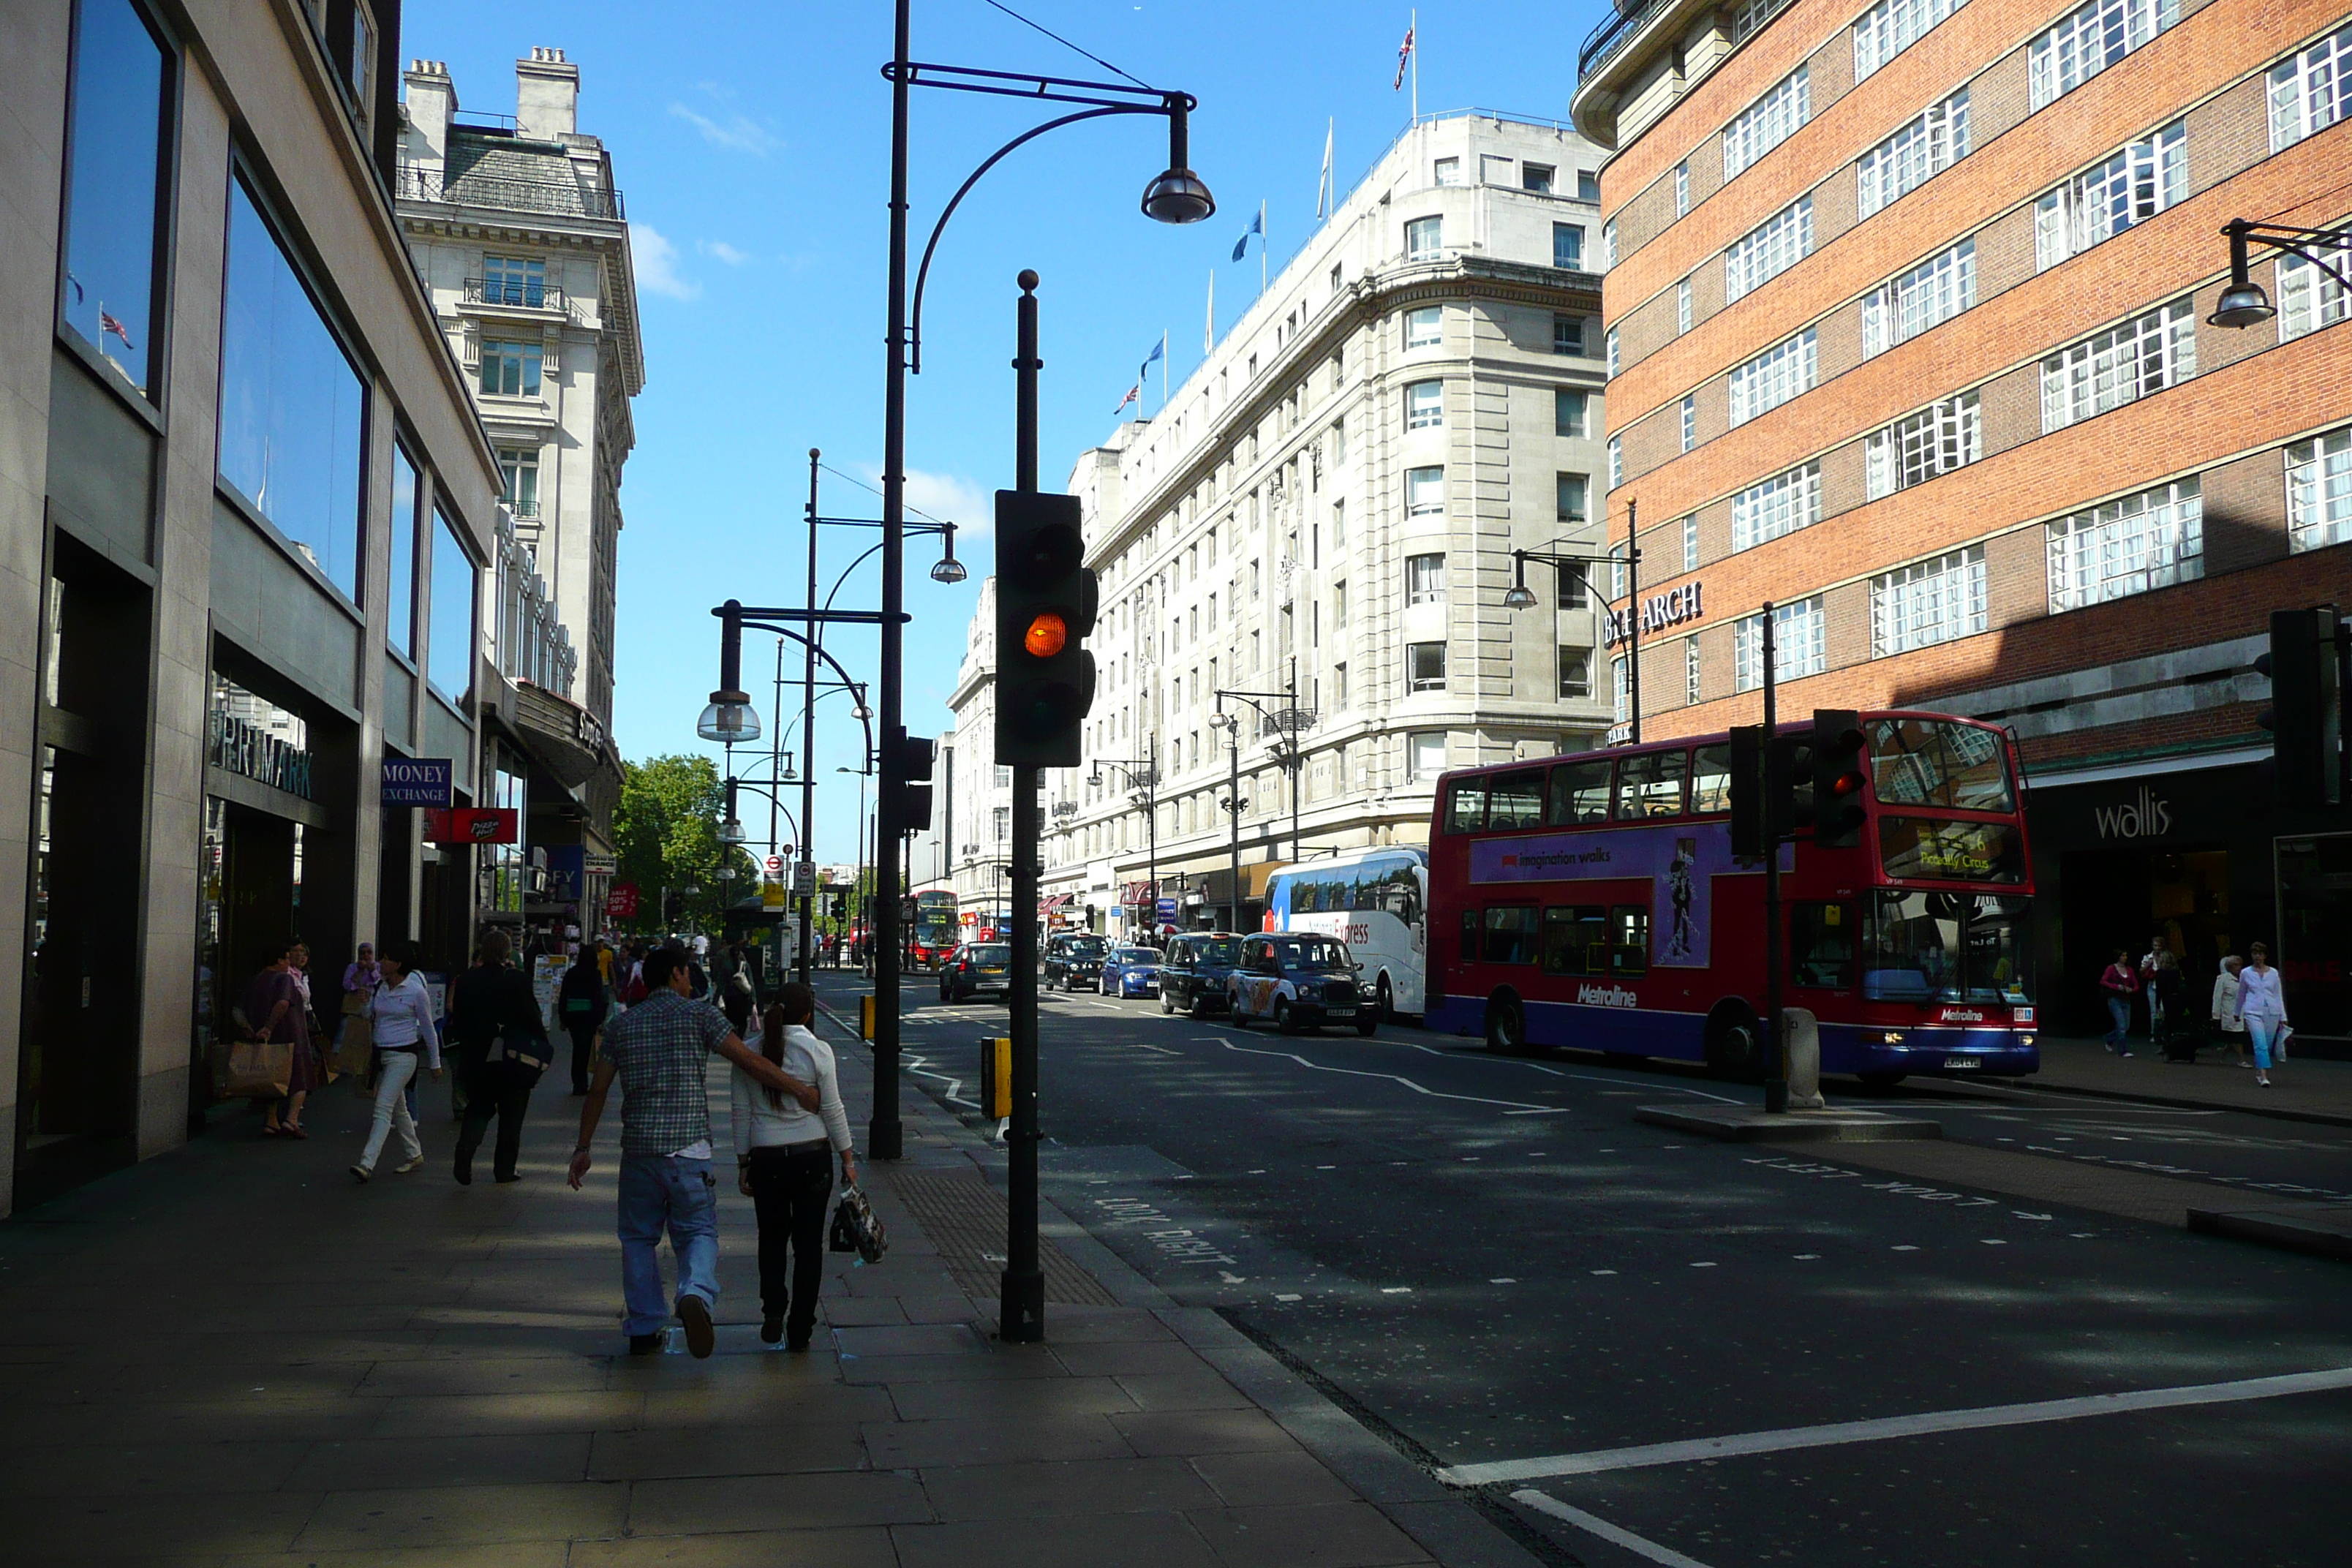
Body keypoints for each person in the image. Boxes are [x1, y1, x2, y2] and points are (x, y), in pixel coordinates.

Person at [567, 946, 818, 1357]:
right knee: (699, 1231)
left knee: (637, 1238)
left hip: (640, 1153)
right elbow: (751, 1063)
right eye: (688, 973)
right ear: (677, 974)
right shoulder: (700, 1016)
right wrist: (799, 1090)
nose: (691, 981)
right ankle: (696, 1294)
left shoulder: (621, 1025)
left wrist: (583, 1147)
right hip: (690, 1151)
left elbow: (598, 1090)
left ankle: (645, 1327)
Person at [732, 984, 856, 1349]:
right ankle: (801, 1326)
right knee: (808, 1247)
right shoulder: (818, 1051)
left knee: (770, 1240)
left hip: (766, 1158)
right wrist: (847, 1157)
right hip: (811, 1157)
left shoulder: (750, 1053)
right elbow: (832, 1109)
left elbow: (741, 1114)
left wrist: (743, 1163)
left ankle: (773, 1309)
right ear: (806, 1015)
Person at [447, 930, 554, 1184]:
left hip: (478, 1058)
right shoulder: (517, 980)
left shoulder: (467, 981)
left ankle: (466, 1149)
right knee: (512, 1115)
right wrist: (543, 1047)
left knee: (479, 1107)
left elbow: (459, 1021)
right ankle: (504, 1169)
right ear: (508, 952)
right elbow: (532, 1019)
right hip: (513, 1058)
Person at [351, 943, 442, 1181]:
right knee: (399, 1109)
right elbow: (368, 1015)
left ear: (399, 964)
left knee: (382, 1107)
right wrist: (364, 1002)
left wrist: (435, 1063)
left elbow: (428, 1028)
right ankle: (414, 1153)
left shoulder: (415, 991)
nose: (380, 962)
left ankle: (366, 1163)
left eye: (386, 958)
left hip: (404, 1056)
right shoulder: (381, 987)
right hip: (383, 1054)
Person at [243, 943, 315, 1137]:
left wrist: (249, 1029)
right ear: (279, 961)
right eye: (286, 958)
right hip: (291, 1034)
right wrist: (269, 1027)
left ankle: (271, 1120)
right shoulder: (285, 979)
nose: (289, 961)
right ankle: (291, 1119)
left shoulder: (254, 980)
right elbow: (283, 1003)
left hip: (262, 1038)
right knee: (300, 1079)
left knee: (272, 1077)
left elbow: (237, 1009)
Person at [559, 944, 610, 1096]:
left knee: (577, 1048)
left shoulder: (571, 973)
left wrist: (563, 1017)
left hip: (573, 1014)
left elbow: (563, 995)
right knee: (585, 1049)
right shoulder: (595, 974)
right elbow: (598, 997)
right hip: (589, 1015)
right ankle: (583, 1084)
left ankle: (578, 1084)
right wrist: (600, 1019)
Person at [2236, 942, 2288, 1088]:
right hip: (2253, 1011)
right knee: (2260, 1043)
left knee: (2268, 1044)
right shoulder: (2246, 973)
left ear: (2265, 956)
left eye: (2260, 954)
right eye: (2255, 953)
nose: (2257, 956)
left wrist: (2283, 1017)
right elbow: (2241, 994)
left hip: (2272, 1012)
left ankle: (2260, 1070)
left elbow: (2278, 995)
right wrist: (2237, 1012)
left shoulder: (2273, 973)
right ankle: (2264, 1076)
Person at [2099, 949, 2138, 1057]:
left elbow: (2136, 985)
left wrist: (2132, 990)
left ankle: (2109, 1038)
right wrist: (2117, 987)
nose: (2125, 958)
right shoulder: (2111, 969)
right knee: (2121, 1025)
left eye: (2126, 956)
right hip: (2114, 999)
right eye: (2123, 956)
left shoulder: (2129, 970)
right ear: (2118, 957)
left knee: (2126, 1026)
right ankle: (2123, 1050)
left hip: (2126, 999)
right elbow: (2103, 981)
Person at [2210, 955, 2247, 1066]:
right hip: (2230, 1013)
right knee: (2237, 1037)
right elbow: (2217, 998)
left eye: (2240, 965)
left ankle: (2224, 1054)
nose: (2238, 967)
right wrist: (2216, 1016)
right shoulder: (2223, 979)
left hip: (2243, 1012)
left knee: (2234, 1038)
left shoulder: (2244, 978)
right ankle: (2242, 1060)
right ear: (2229, 967)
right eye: (2235, 965)